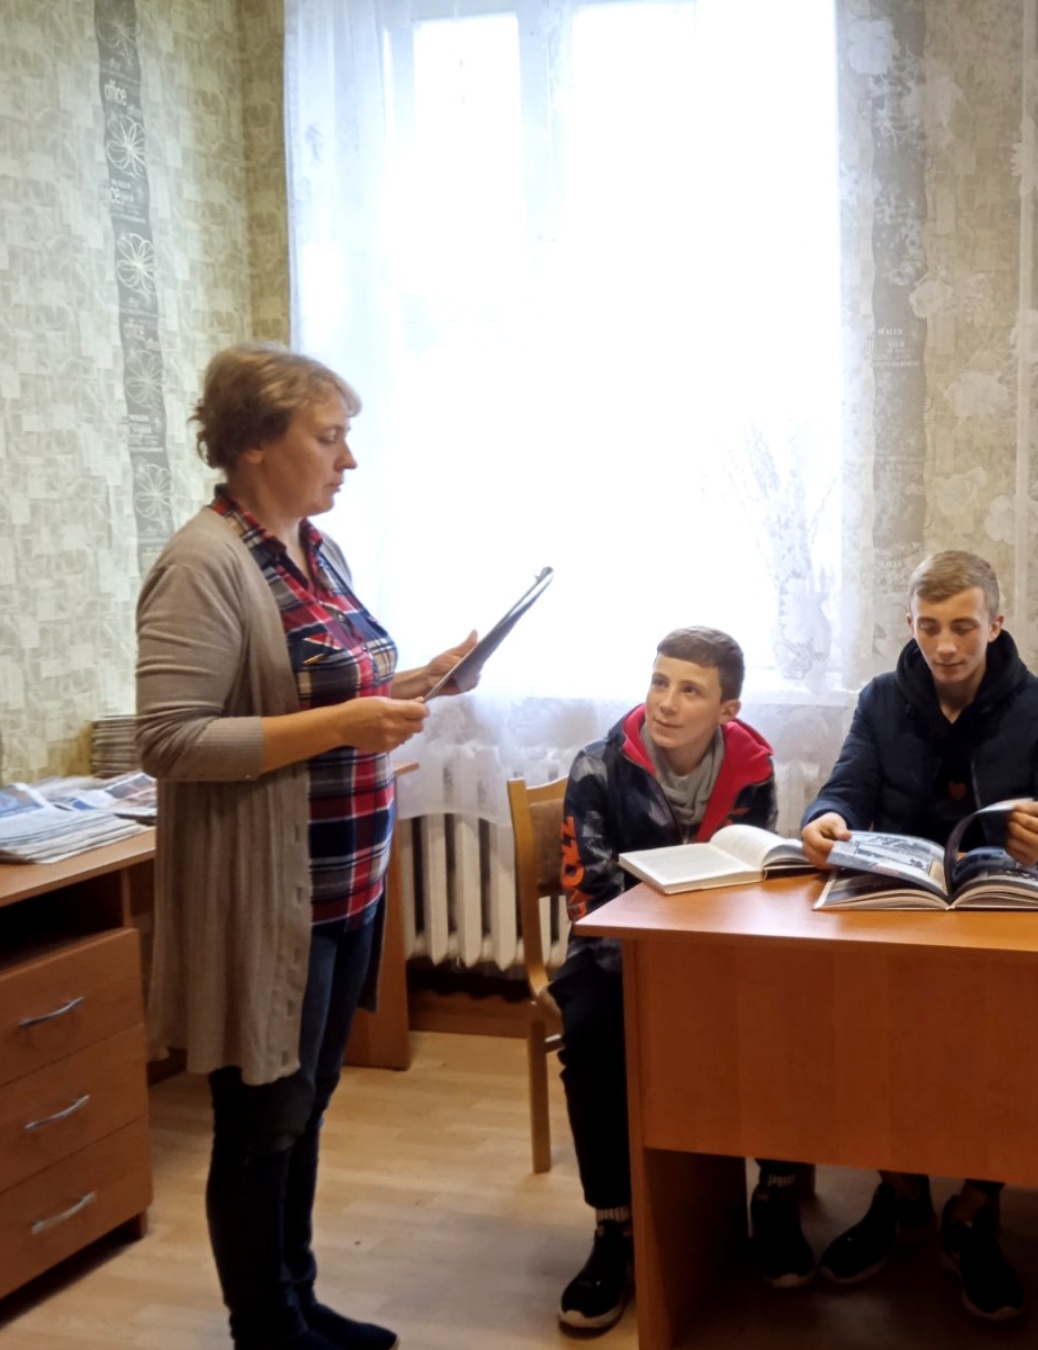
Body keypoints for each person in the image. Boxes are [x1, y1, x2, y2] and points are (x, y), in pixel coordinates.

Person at [137, 343, 478, 1350]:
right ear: (254, 444)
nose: (349, 460)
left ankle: (299, 1300)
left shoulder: (314, 550)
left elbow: (335, 693)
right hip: (269, 899)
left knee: (307, 1106)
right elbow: (171, 740)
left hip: (345, 888)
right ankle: (266, 1329)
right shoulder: (203, 565)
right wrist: (345, 724)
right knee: (261, 1123)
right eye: (330, 438)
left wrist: (419, 680)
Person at [798, 549, 1038, 1322]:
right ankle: (901, 1195)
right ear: (910, 624)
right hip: (897, 917)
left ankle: (974, 1207)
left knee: (996, 1043)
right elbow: (845, 788)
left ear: (995, 625)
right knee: (865, 1027)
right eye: (929, 626)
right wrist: (823, 820)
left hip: (994, 925)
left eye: (963, 627)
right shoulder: (880, 698)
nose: (945, 645)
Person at [553, 627, 812, 1332]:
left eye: (690, 690)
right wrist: (661, 980)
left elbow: (749, 876)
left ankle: (776, 1192)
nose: (666, 702)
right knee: (592, 1034)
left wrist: (705, 970)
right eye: (659, 682)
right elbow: (589, 895)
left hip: (718, 950)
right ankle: (614, 1225)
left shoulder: (751, 767)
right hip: (615, 955)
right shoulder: (599, 766)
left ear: (727, 710)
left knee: (789, 1013)